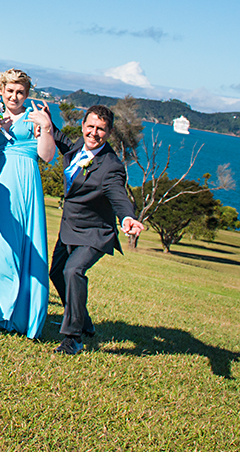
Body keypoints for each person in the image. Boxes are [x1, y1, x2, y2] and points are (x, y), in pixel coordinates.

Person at [47, 104, 145, 354]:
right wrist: (48, 122)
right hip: (70, 227)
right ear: (83, 126)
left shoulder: (111, 166)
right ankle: (84, 321)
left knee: (73, 270)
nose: (94, 133)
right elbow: (65, 146)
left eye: (100, 129)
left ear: (109, 132)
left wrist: (127, 218)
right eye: (90, 126)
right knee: (57, 273)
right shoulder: (80, 145)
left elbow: (118, 195)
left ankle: (74, 338)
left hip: (94, 232)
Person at [0, 68, 55, 338]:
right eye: (10, 91)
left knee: (21, 247)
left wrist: (46, 127)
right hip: (1, 185)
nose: (14, 96)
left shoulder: (35, 118)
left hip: (26, 184)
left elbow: (47, 156)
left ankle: (16, 314)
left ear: (27, 94)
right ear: (1, 91)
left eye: (20, 92)